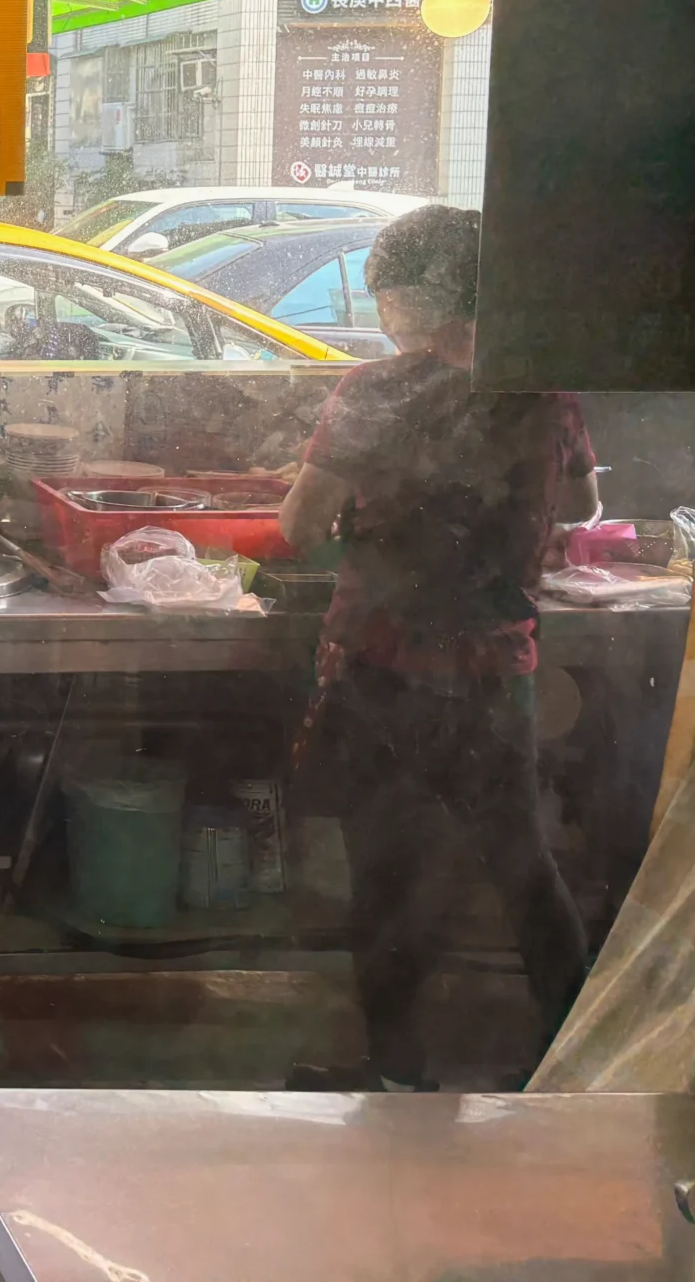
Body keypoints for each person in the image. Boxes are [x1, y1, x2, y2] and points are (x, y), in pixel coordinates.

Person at [278, 203, 595, 1092]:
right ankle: (581, 1070)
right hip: (499, 674)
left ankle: (401, 1077)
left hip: (384, 674)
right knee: (526, 869)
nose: (382, 316)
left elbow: (298, 527)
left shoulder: (376, 391)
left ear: (417, 300)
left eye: (385, 298)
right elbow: (574, 513)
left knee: (388, 874)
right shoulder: (547, 392)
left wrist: (348, 504)